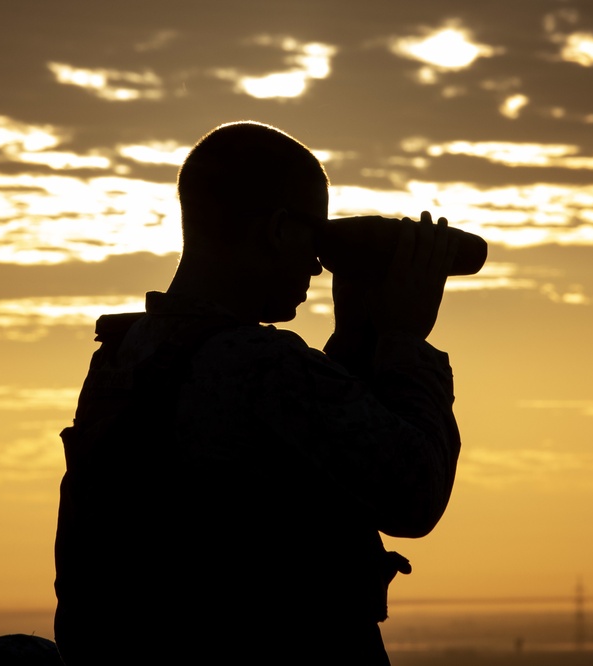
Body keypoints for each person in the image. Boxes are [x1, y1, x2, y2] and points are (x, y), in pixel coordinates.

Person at [53, 121, 462, 664]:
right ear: (276, 229)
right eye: (314, 238)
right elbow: (413, 494)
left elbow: (306, 463)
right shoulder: (263, 368)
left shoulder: (123, 358)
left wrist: (354, 342)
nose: (319, 265)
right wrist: (405, 341)